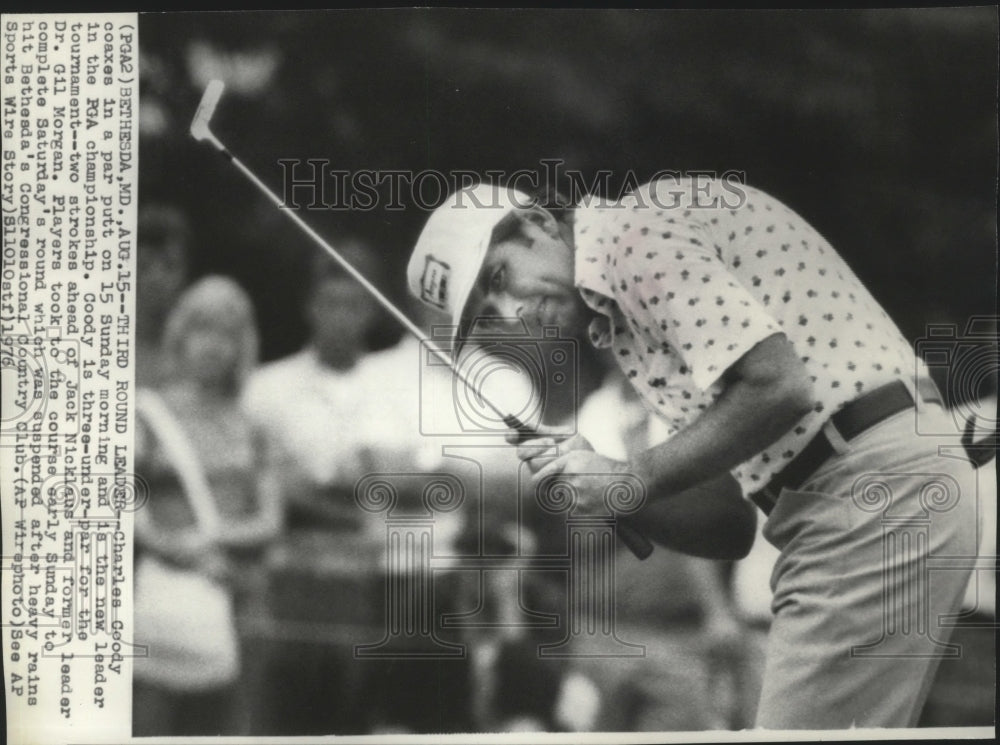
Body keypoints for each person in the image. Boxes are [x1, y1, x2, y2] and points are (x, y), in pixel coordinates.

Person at [405, 178, 979, 729]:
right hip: (854, 497)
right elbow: (728, 526)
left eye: (500, 277)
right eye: (488, 311)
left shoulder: (632, 231)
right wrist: (610, 492)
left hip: (867, 486)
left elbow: (780, 387)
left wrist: (626, 474)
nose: (512, 313)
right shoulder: (626, 314)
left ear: (536, 223)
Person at [133, 276, 283, 736]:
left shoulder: (253, 426)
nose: (214, 346)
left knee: (232, 728)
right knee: (149, 723)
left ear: (243, 346)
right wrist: (177, 549)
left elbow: (270, 520)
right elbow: (126, 508)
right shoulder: (147, 414)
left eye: (227, 334)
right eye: (203, 330)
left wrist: (211, 540)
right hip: (165, 588)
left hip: (241, 594)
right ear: (181, 336)